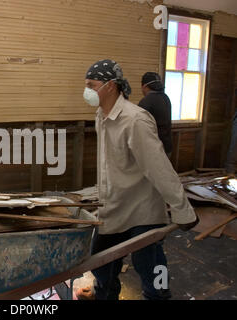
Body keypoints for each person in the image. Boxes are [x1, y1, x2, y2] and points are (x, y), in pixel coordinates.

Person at [77, 59, 199, 300]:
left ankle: (160, 296)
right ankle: (105, 294)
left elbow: (160, 169)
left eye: (91, 84)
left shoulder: (135, 120)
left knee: (152, 266)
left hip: (142, 209)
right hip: (115, 206)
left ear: (110, 86)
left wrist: (183, 210)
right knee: (100, 262)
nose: (87, 90)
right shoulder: (101, 116)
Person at [138, 72, 173, 157]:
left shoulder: (146, 101)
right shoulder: (166, 97)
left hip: (153, 149)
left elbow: (138, 127)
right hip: (167, 146)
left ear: (144, 86)